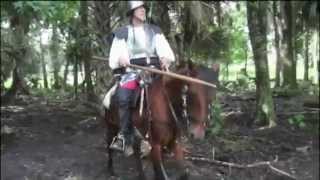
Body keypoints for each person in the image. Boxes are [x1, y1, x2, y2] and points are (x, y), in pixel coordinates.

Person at [108, 1, 175, 156]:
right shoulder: (122, 33)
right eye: (139, 8)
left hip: (155, 71)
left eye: (144, 8)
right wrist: (122, 58)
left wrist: (165, 59)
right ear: (132, 13)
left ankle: (174, 135)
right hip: (133, 73)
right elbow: (114, 57)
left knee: (174, 95)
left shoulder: (155, 31)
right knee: (123, 97)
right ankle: (125, 136)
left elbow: (166, 51)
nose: (143, 10)